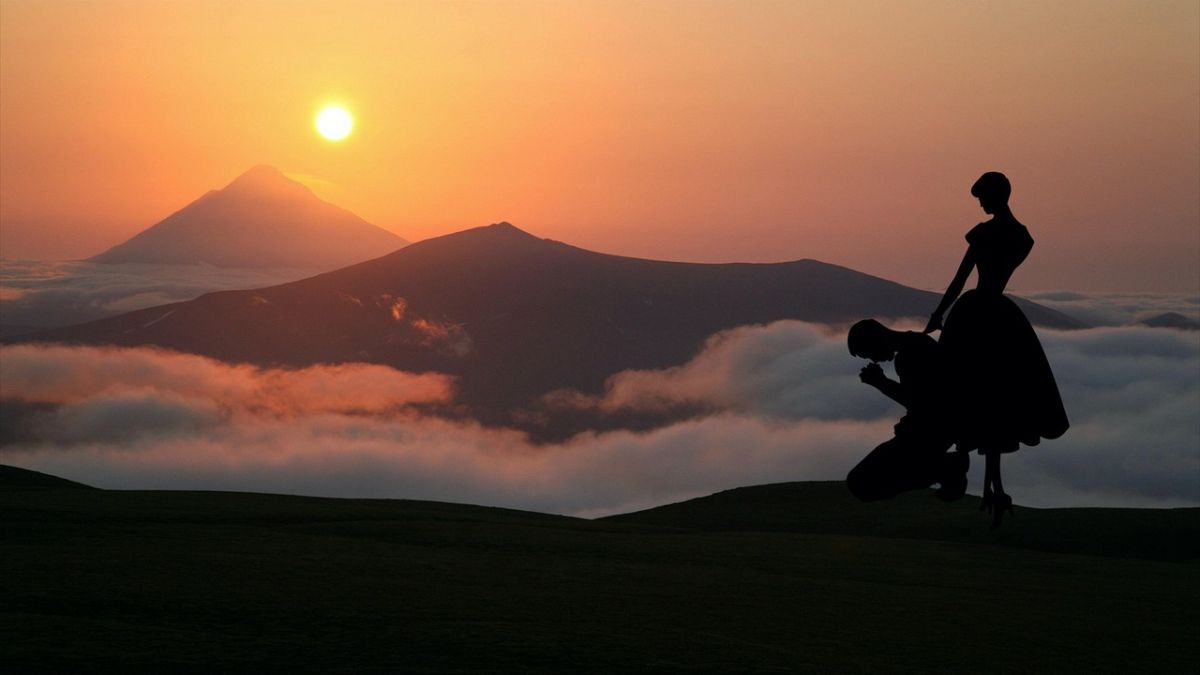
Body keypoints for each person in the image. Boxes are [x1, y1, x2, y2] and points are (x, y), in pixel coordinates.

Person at [924, 172, 1069, 527]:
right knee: (999, 399)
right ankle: (994, 487)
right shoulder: (1023, 237)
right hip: (1002, 316)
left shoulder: (985, 233)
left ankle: (985, 484)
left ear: (995, 195)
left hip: (974, 316)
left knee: (969, 391)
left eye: (982, 197)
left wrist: (938, 313)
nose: (981, 204)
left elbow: (960, 280)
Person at [845, 319, 968, 503]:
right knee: (861, 483)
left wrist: (881, 383)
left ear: (875, 340)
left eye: (869, 353)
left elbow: (920, 403)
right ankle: (943, 469)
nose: (874, 359)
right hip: (933, 433)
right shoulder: (917, 344)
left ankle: (945, 468)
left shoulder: (909, 355)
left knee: (860, 483)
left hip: (924, 437)